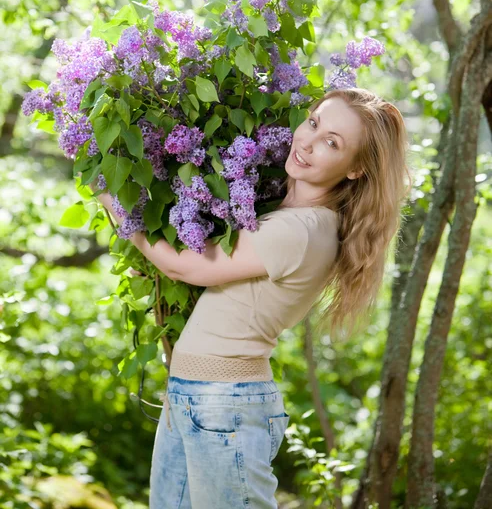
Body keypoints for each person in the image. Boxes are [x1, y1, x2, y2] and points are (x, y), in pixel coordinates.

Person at [95, 88, 411, 508]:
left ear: (354, 170)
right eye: (314, 123)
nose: (308, 141)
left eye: (333, 143)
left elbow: (187, 267)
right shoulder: (283, 214)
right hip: (196, 396)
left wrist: (115, 204)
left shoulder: (302, 230)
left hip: (224, 404)